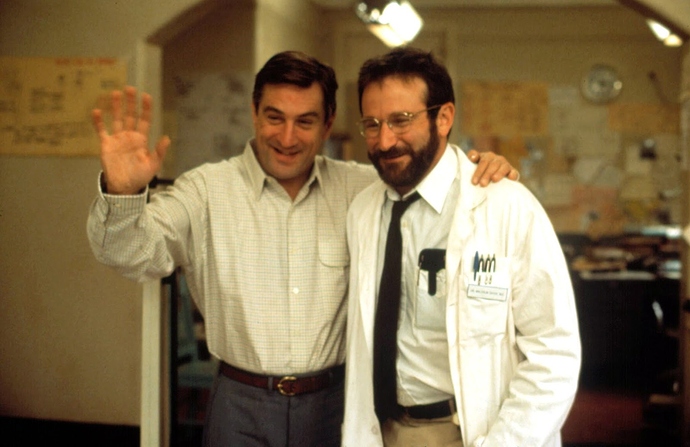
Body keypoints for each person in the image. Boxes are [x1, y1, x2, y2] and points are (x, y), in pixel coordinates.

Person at [86, 50, 517, 447]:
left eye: (305, 121)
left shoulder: (364, 190)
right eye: (275, 117)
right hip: (240, 403)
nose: (287, 137)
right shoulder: (205, 191)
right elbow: (132, 254)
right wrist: (123, 194)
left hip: (335, 405)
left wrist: (479, 167)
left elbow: (425, 173)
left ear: (327, 124)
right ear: (254, 113)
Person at [343, 47, 581, 447]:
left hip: (471, 431)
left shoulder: (506, 206)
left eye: (401, 120)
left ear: (444, 117)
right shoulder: (363, 210)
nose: (384, 141)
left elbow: (553, 351)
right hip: (381, 430)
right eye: (372, 123)